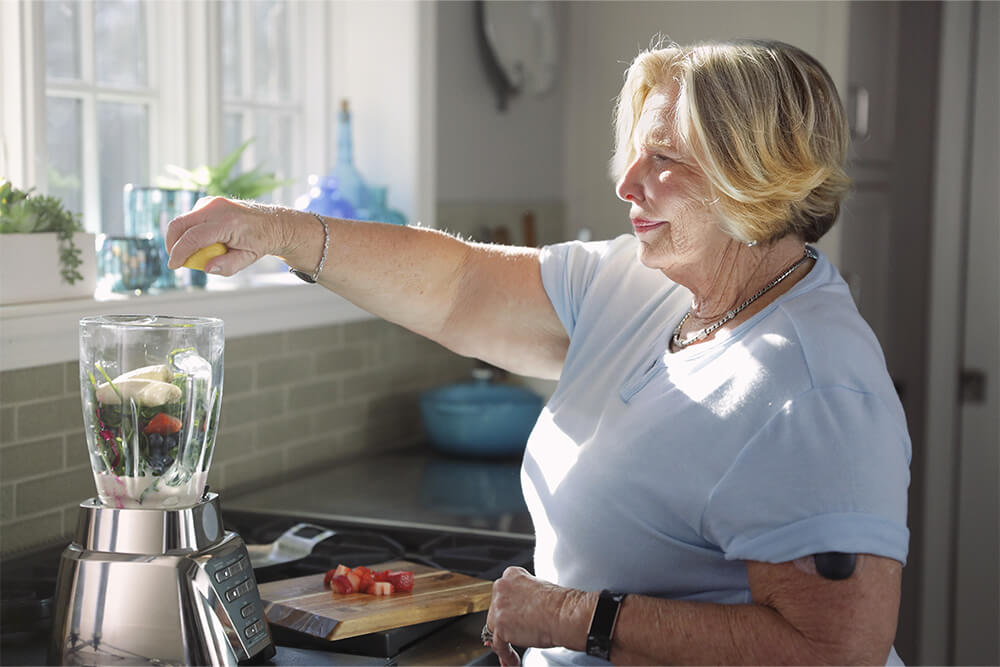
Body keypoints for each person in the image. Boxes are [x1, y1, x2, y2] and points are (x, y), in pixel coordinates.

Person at [167, 39, 910, 666]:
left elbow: (833, 650)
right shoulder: (639, 280)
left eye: (665, 159)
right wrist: (279, 231)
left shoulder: (815, 388)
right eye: (634, 153)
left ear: (754, 173)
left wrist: (572, 616)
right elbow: (458, 286)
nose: (627, 183)